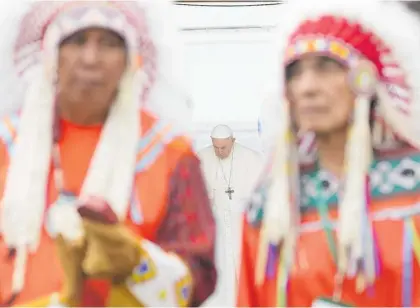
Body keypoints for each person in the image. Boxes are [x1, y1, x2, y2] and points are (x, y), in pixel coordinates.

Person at [0, 0, 217, 307]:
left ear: (131, 60)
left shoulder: (170, 155)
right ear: (50, 54)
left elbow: (200, 278)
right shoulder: (6, 144)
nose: (91, 58)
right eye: (76, 41)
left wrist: (139, 264)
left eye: (109, 43)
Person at [238, 0, 420, 306]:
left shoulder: (412, 189)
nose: (307, 87)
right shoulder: (272, 204)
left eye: (326, 67)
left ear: (366, 79)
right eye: (294, 73)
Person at [198, 124, 262, 306]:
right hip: (216, 225)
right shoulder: (201, 158)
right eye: (216, 147)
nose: (219, 151)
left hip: (239, 224)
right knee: (220, 266)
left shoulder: (252, 158)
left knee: (239, 264)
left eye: (224, 147)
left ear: (233, 141)